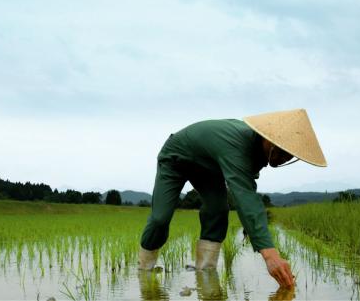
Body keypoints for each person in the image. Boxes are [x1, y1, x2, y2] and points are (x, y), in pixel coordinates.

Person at [138, 108, 327, 288]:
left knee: (218, 210)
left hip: (209, 167)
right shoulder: (237, 144)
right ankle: (144, 271)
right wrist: (270, 255)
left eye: (290, 155)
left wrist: (252, 227)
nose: (285, 158)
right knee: (159, 218)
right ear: (269, 141)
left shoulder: (257, 152)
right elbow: (244, 195)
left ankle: (205, 274)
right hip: (176, 158)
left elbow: (248, 193)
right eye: (283, 152)